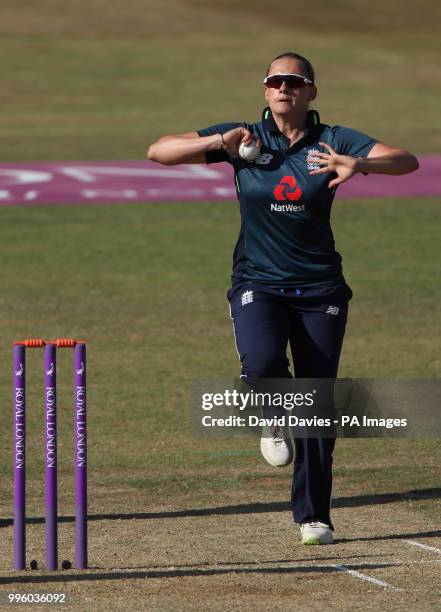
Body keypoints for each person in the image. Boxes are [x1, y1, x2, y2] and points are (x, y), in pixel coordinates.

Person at [147, 52, 418, 544]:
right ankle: (272, 415)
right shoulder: (243, 137)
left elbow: (406, 160)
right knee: (263, 359)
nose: (283, 89)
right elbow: (158, 151)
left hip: (320, 286)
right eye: (275, 81)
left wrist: (359, 162)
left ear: (311, 92)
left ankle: (313, 515)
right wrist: (217, 142)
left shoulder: (333, 138)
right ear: (265, 89)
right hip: (258, 280)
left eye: (295, 82)